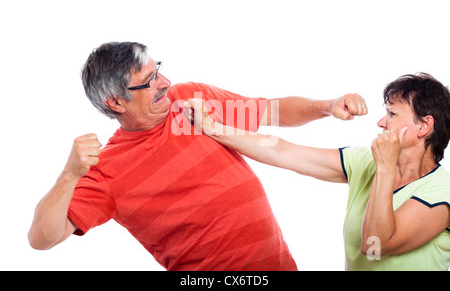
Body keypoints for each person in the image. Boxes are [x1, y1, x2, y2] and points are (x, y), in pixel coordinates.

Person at [27, 42, 368, 271]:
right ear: (115, 102)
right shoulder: (107, 171)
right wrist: (69, 177)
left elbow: (272, 111)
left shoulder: (190, 99)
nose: (165, 82)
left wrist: (326, 106)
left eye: (157, 70)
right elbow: (41, 239)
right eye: (149, 81)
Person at [184, 72, 450, 270]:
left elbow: (375, 246)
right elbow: (282, 151)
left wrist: (384, 168)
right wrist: (213, 128)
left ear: (424, 126)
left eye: (392, 114)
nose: (381, 123)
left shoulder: (442, 191)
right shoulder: (365, 162)